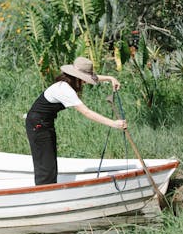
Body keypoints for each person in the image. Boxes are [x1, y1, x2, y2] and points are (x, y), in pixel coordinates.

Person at [26, 57, 127, 185]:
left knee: (50, 161)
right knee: (45, 165)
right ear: (77, 77)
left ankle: (49, 190)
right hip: (37, 124)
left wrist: (110, 78)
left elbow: (95, 78)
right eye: (84, 80)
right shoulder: (65, 89)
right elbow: (86, 112)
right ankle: (44, 196)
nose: (85, 83)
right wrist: (113, 123)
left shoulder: (68, 82)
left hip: (45, 123)